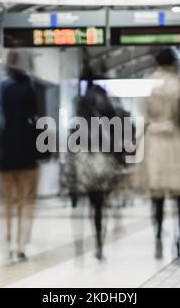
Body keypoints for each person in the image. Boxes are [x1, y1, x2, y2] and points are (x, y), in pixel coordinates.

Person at [143, 48, 180, 259]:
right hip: (178, 143)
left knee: (156, 196)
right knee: (179, 196)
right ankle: (178, 240)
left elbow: (144, 116)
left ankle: (158, 238)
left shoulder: (149, 85)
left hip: (154, 145)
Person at [63, 85, 121, 260]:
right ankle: (99, 245)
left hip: (81, 167)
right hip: (98, 166)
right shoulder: (103, 120)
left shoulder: (77, 121)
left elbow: (71, 147)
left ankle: (79, 248)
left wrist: (69, 177)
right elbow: (111, 144)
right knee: (98, 208)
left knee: (78, 209)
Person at [0, 50, 40, 261]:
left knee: (7, 201)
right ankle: (21, 245)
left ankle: (7, 241)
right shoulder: (30, 88)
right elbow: (35, 116)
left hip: (6, 151)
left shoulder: (4, 88)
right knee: (26, 200)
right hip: (27, 151)